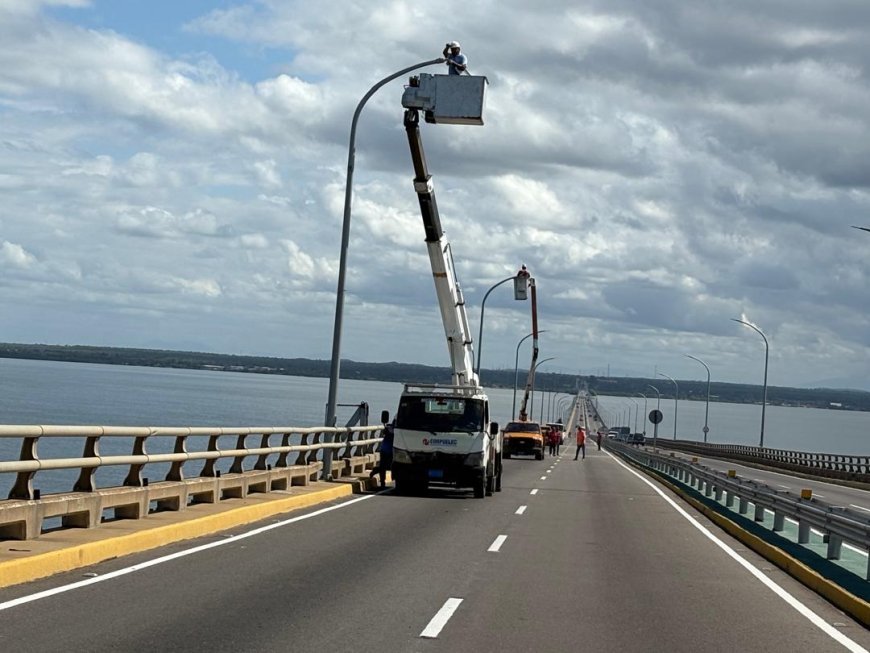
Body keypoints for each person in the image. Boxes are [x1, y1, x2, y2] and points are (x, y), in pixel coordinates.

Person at [370, 419, 394, 489]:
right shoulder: (390, 428)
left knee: (386, 466)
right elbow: (386, 431)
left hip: (392, 449)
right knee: (384, 466)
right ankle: (382, 482)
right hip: (387, 449)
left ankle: (375, 471)